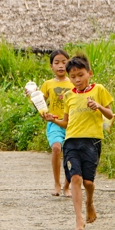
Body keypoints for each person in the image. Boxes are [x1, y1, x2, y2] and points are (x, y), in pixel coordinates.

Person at [47, 54, 114, 230]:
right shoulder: (68, 95)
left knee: (88, 182)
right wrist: (52, 119)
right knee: (75, 178)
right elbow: (66, 123)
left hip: (92, 141)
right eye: (73, 77)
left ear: (89, 73)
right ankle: (79, 220)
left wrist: (98, 107)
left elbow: (110, 115)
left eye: (81, 75)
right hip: (71, 141)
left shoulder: (99, 89)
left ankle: (89, 202)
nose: (77, 80)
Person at [38, 49, 72, 197]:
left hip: (73, 124)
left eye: (64, 62)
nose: (60, 66)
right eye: (56, 62)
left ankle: (67, 186)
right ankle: (57, 184)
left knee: (71, 155)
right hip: (55, 123)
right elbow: (40, 104)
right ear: (51, 66)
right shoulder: (47, 84)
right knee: (57, 148)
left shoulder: (74, 81)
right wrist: (33, 97)